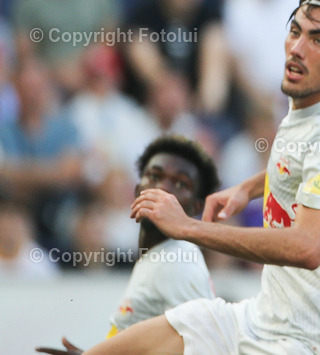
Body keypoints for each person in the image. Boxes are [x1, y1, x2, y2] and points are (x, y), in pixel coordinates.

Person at [82, 0, 320, 354]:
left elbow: (307, 247)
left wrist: (188, 228)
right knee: (135, 342)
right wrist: (249, 188)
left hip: (309, 342)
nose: (297, 49)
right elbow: (308, 163)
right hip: (262, 318)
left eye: (318, 40)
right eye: (295, 31)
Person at [36, 134, 220, 355]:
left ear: (196, 208)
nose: (162, 188)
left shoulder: (178, 263)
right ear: (136, 191)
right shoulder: (158, 257)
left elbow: (201, 348)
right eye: (154, 176)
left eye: (180, 183)